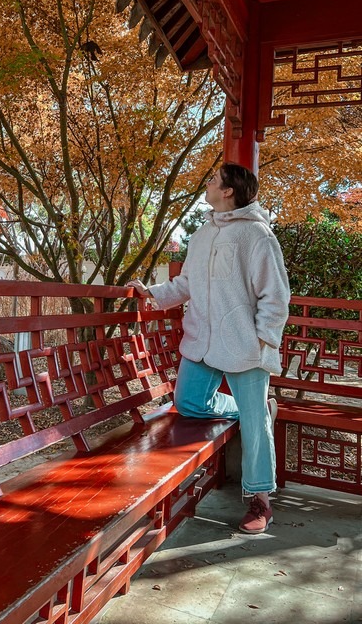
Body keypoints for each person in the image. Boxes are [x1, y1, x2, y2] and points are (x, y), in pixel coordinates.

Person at [128, 162, 290, 534]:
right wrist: (153, 294)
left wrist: (262, 340)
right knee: (188, 402)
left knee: (254, 424)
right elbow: (187, 283)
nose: (209, 183)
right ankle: (257, 408)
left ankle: (260, 499)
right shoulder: (202, 235)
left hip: (244, 345)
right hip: (201, 340)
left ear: (229, 190)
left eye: (214, 180)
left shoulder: (257, 235)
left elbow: (275, 296)